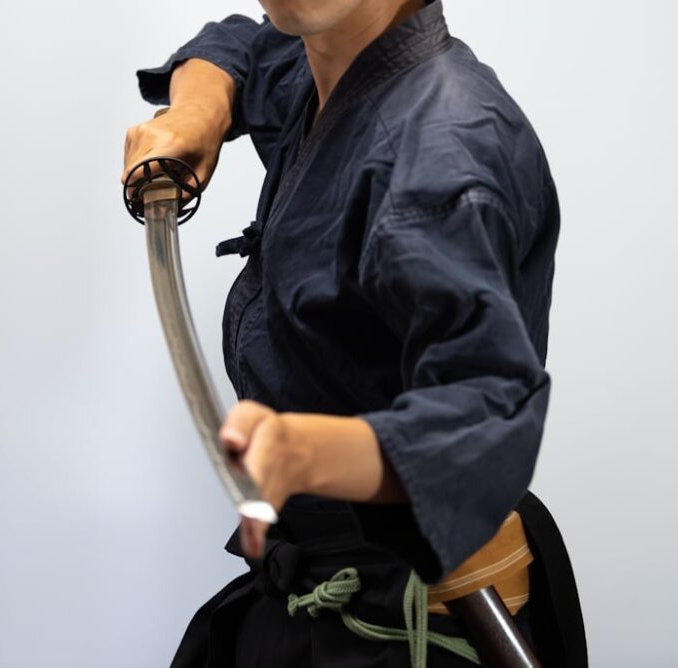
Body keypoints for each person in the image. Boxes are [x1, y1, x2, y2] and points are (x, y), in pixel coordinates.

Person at [122, 1, 585, 665]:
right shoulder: (330, 62)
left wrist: (307, 453)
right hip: (312, 597)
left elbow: (484, 419)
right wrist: (198, 113)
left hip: (410, 622)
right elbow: (242, 48)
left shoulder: (442, 153)